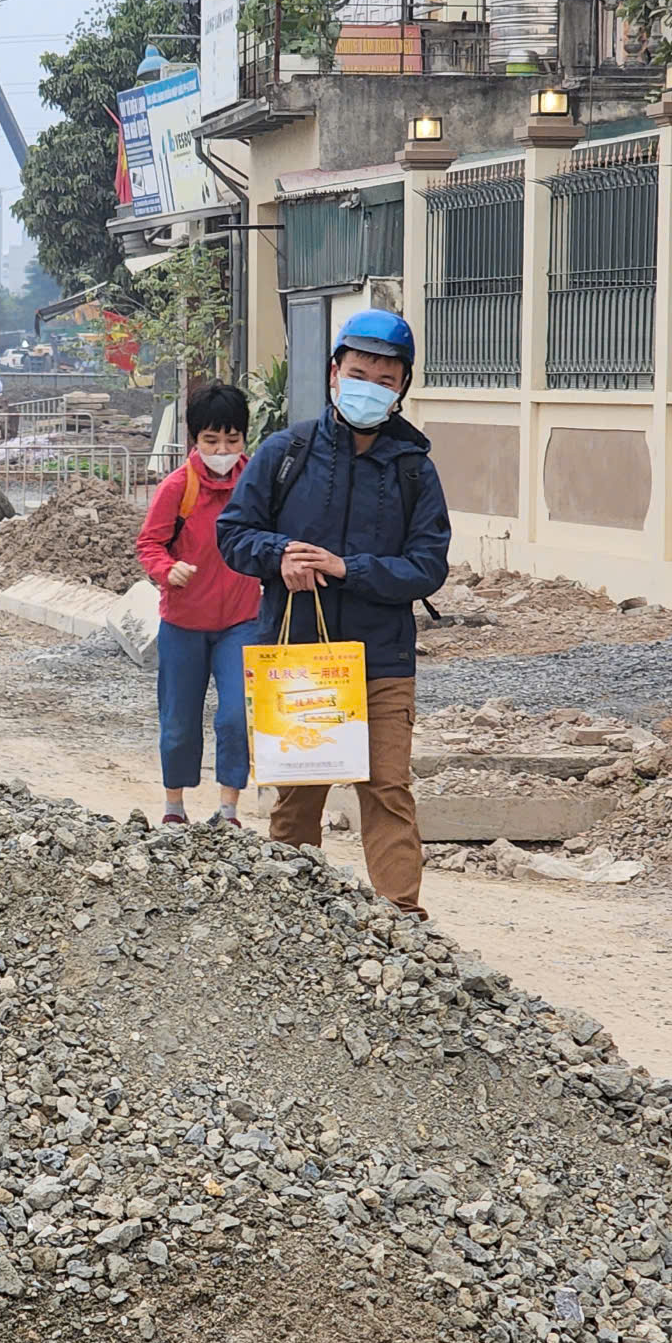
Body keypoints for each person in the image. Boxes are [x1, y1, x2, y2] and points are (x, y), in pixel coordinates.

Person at [214, 308, 449, 917]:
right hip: (299, 658)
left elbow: (428, 567)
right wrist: (278, 556)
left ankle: (403, 923)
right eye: (359, 371)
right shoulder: (284, 453)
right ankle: (295, 920)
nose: (370, 385)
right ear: (333, 374)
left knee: (388, 789)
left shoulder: (414, 470)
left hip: (381, 662)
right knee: (296, 797)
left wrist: (350, 567)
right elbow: (234, 533)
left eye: (385, 377)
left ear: (402, 387)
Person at [136, 383, 263, 827]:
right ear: (195, 439)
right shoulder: (178, 487)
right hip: (184, 622)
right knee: (178, 719)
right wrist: (167, 570)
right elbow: (149, 543)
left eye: (232, 440)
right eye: (212, 441)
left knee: (235, 715)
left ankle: (228, 810)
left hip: (242, 621)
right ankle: (174, 806)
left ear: (245, 438)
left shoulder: (256, 483)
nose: (222, 450)